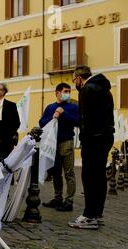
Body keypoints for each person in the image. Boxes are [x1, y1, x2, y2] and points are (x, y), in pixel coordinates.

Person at [69, 66, 115, 230]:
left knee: (89, 176)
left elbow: (86, 117)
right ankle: (97, 213)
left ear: (79, 78)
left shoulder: (87, 89)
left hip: (93, 139)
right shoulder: (104, 88)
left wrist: (83, 136)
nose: (75, 83)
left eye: (74, 79)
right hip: (105, 136)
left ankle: (89, 216)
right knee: (99, 176)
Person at [40, 83, 79, 212]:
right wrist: (53, 117)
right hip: (52, 143)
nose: (67, 93)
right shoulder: (50, 107)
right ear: (57, 93)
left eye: (69, 91)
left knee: (69, 173)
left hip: (66, 142)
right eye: (65, 91)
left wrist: (64, 113)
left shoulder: (72, 107)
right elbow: (41, 123)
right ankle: (58, 198)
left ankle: (69, 201)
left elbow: (78, 121)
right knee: (56, 172)